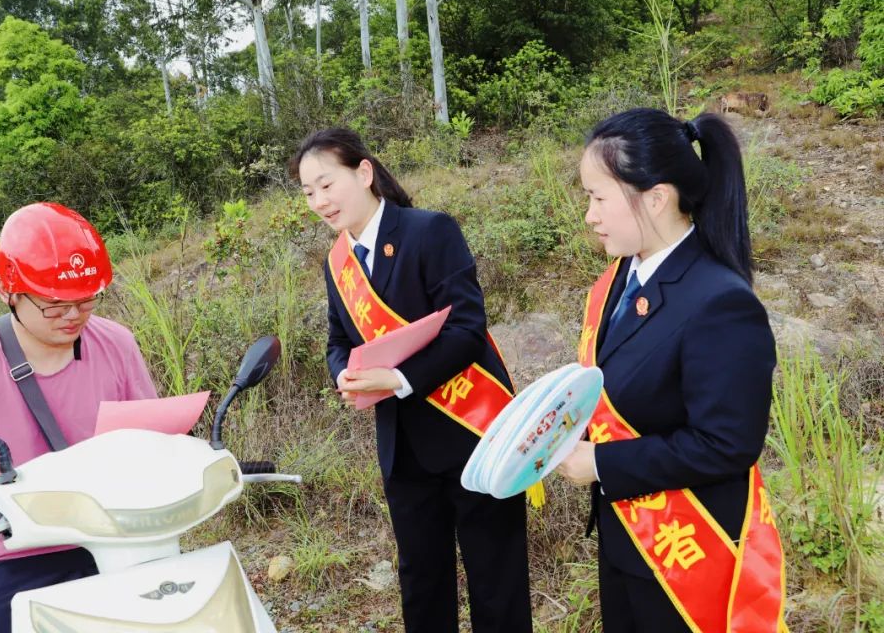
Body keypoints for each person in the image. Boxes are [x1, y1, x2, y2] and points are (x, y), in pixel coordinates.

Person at [291, 128, 533, 633]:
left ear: (363, 172)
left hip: (473, 433)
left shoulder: (430, 232)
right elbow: (339, 340)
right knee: (421, 581)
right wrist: (346, 375)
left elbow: (468, 330)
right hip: (403, 449)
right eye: (308, 192)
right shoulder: (337, 263)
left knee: (496, 579)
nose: (318, 202)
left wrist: (399, 377)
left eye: (326, 184)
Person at [555, 109, 786, 632]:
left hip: (686, 551)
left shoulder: (719, 302)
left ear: (656, 197)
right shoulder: (621, 278)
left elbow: (727, 443)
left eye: (598, 198)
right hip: (627, 538)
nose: (589, 216)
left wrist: (602, 465)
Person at [0, 202, 158, 633]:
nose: (72, 315)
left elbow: (149, 438)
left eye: (86, 300)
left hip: (112, 536)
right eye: (52, 304)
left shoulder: (116, 343)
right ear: (6, 291)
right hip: (10, 552)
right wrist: (40, 486)